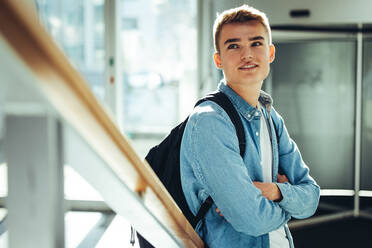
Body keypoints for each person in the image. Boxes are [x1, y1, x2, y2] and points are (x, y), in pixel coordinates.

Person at [180, 4, 320, 248]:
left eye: (256, 43)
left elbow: (311, 197)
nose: (247, 55)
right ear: (218, 59)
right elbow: (252, 220)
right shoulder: (210, 121)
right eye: (233, 46)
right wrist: (287, 203)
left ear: (270, 53)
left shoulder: (270, 117)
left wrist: (274, 192)